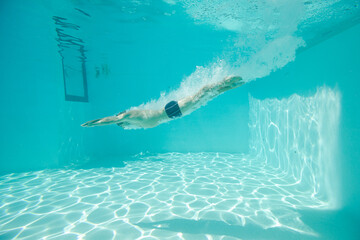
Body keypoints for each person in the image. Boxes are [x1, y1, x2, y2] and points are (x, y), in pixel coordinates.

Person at [81, 76, 244, 129]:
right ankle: (233, 84)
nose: (125, 127)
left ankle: (226, 79)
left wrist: (93, 123)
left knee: (201, 95)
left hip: (170, 111)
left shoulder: (128, 115)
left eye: (123, 124)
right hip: (174, 114)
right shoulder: (137, 122)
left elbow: (112, 119)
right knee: (207, 97)